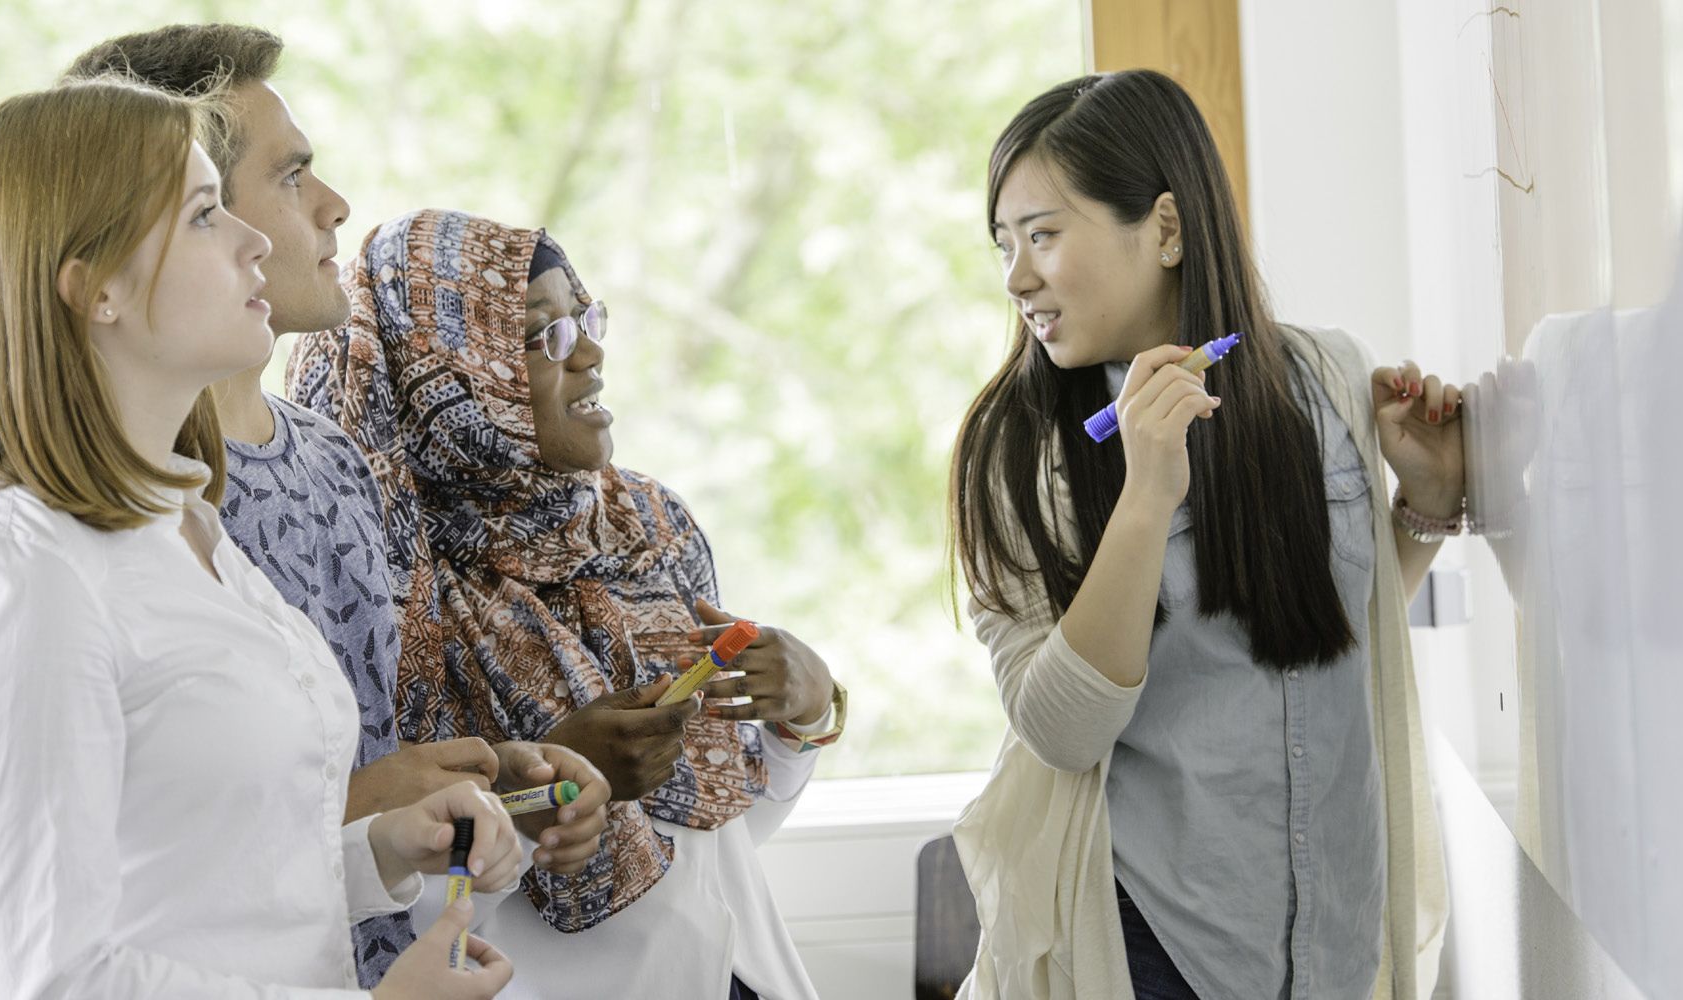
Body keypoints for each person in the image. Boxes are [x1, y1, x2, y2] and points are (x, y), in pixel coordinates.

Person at [62, 26, 612, 986]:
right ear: (116, 262)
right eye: (285, 178)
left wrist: (475, 794)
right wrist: (360, 806)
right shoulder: (63, 535)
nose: (330, 208)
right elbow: (95, 902)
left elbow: (342, 765)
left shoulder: (325, 464)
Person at [0, 76, 520, 999]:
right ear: (95, 289)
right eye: (203, 215)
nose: (256, 241)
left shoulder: (190, 526)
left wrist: (383, 848)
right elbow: (48, 974)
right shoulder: (37, 574)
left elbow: (198, 886)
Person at [948, 70, 1457, 1000]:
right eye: (1006, 244)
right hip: (1149, 945)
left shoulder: (1326, 376)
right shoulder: (1017, 452)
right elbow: (1059, 729)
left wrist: (1423, 505)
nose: (1017, 276)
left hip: (1336, 936)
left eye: (1044, 236)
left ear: (1169, 230)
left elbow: (1317, 636)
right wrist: (1146, 496)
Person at [288, 208, 848, 999]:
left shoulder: (646, 528)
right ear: (449, 385)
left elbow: (725, 836)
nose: (590, 353)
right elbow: (375, 912)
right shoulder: (381, 592)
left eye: (586, 316)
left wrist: (805, 717)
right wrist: (539, 794)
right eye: (537, 334)